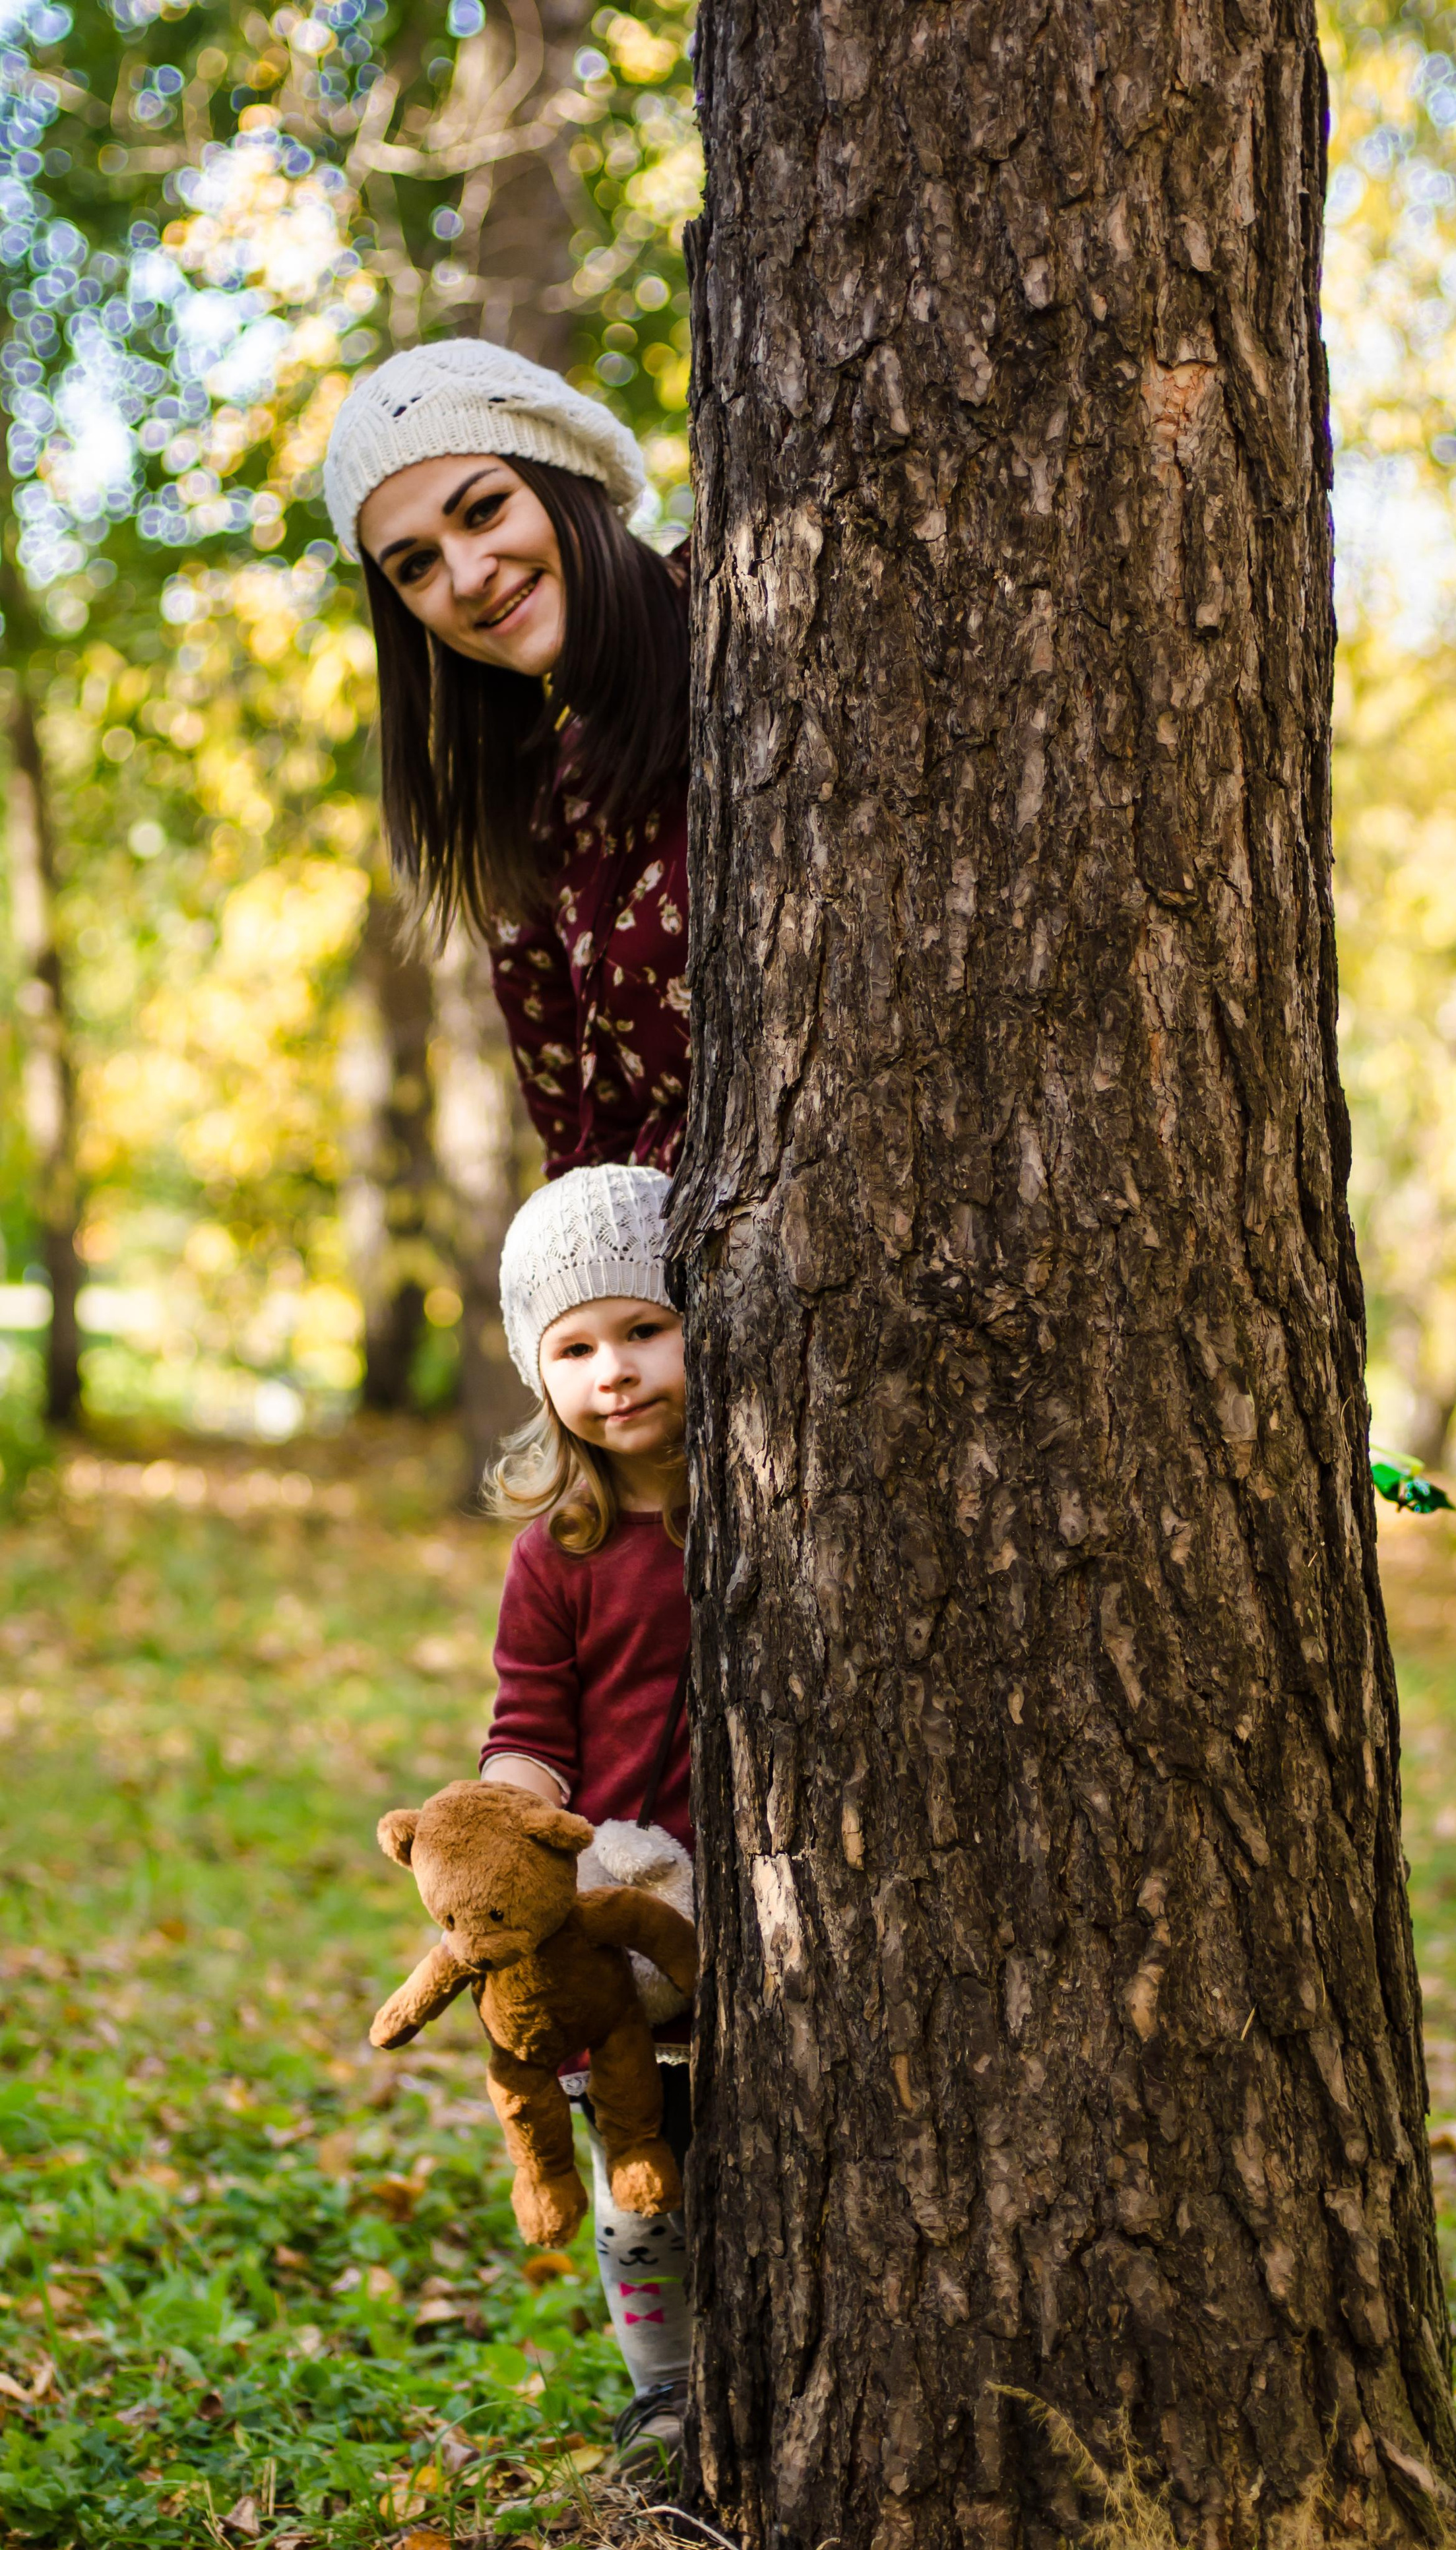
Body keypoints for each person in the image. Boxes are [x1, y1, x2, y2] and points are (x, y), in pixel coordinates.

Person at [322, 339, 691, 1178]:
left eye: (483, 510)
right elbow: (582, 1162)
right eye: (415, 566)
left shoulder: (767, 618)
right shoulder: (531, 816)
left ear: (564, 474)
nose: (466, 574)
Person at [478, 1160, 693, 2478]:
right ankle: (665, 2390)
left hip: (751, 1887)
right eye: (574, 1346)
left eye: (644, 1328)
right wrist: (509, 1832)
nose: (611, 1368)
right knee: (640, 2161)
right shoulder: (557, 1547)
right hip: (618, 1893)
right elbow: (529, 1730)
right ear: (537, 1372)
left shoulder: (775, 1499)